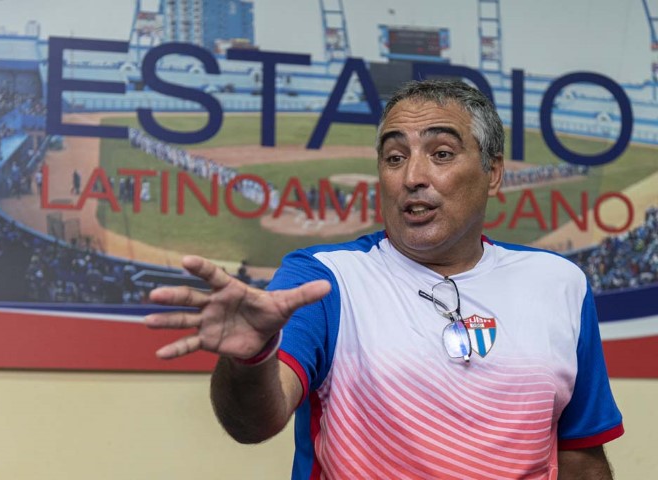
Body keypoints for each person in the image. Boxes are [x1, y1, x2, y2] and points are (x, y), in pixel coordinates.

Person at [144, 80, 623, 479]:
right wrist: (251, 358)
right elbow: (254, 422)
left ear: (493, 172)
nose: (412, 176)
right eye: (394, 157)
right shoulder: (325, 278)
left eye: (441, 153)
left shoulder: (558, 283)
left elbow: (580, 458)